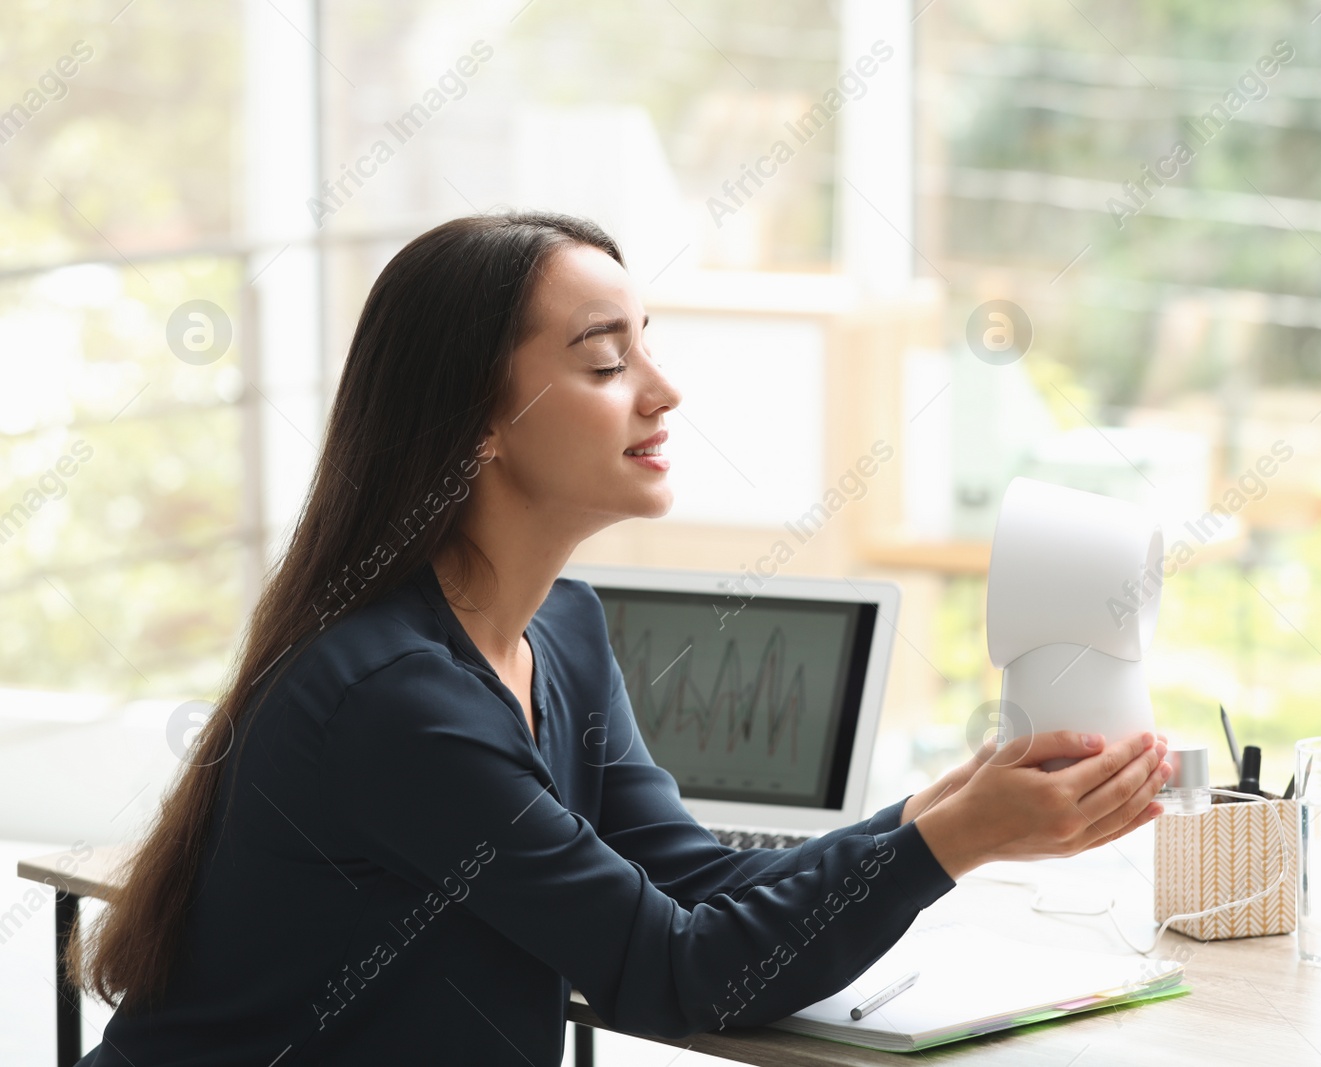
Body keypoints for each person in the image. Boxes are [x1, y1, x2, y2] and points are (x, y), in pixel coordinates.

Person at [68, 211, 1172, 1066]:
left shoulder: (564, 625)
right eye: (605, 364)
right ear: (477, 425)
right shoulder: (396, 699)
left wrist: (937, 809)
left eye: (648, 348)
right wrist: (948, 844)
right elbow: (674, 970)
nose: (663, 390)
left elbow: (690, 882)